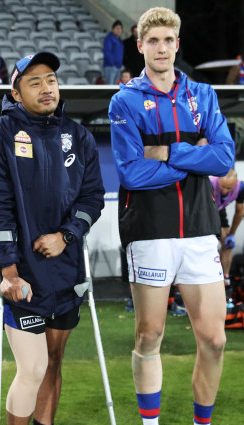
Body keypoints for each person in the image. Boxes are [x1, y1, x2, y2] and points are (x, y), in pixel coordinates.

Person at [109, 7, 234, 425]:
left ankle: (203, 423)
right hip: (150, 231)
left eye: (168, 40)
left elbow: (224, 158)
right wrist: (196, 155)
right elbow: (131, 171)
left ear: (177, 45)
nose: (161, 48)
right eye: (153, 41)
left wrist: (167, 150)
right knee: (150, 335)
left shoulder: (203, 95)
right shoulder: (125, 99)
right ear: (140, 46)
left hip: (200, 228)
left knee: (215, 340)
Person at [0, 51, 105, 425]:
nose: (46, 87)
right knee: (32, 368)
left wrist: (67, 235)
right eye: (34, 82)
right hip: (23, 273)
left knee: (53, 362)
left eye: (51, 79)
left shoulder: (78, 136)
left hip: (66, 271)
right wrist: (9, 271)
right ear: (15, 93)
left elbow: (93, 197)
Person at [210, 169, 244, 286]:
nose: (224, 190)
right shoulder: (210, 184)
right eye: (222, 186)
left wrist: (232, 234)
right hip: (205, 210)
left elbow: (240, 212)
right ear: (219, 180)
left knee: (227, 243)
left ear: (234, 184)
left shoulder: (240, 188)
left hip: (219, 209)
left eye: (229, 188)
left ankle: (225, 277)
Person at [103, 20, 124, 84]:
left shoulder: (119, 39)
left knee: (114, 86)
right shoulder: (109, 38)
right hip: (110, 66)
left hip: (118, 67)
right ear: (113, 29)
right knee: (110, 86)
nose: (119, 30)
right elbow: (107, 52)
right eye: (117, 28)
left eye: (120, 28)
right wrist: (112, 64)